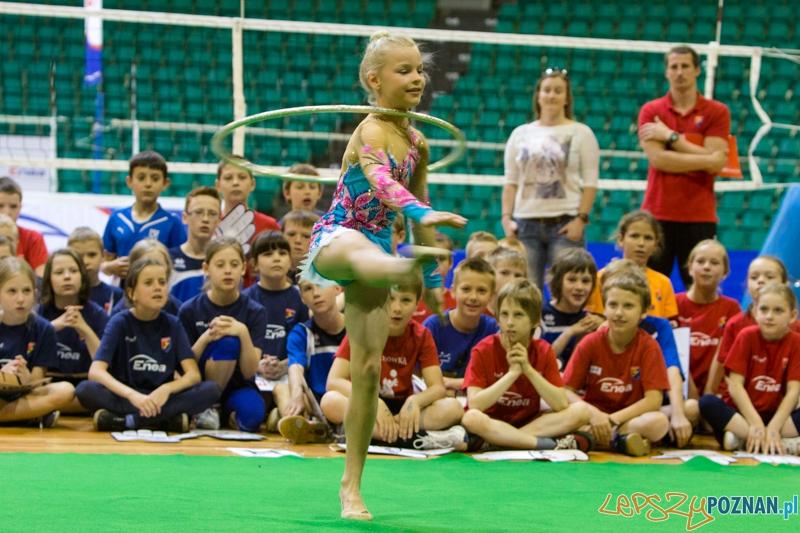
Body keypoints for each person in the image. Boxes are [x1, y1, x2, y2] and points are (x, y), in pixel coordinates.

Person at [297, 30, 466, 520]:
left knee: (368, 371)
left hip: (377, 245)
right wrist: (421, 218)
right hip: (338, 236)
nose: (417, 78)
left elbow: (419, 210)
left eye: (419, 69)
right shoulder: (370, 131)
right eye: (404, 70)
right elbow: (384, 185)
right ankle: (399, 264)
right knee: (365, 251)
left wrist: (434, 288)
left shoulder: (418, 141)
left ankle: (351, 486)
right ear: (374, 80)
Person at [75, 257, 220, 432]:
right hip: (127, 397)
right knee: (85, 390)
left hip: (161, 397)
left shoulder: (173, 324)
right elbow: (96, 371)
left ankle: (128, 421)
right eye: (148, 283)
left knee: (212, 389)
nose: (157, 287)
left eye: (161, 282)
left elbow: (193, 375)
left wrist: (166, 389)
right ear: (132, 293)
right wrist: (132, 395)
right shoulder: (119, 322)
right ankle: (163, 420)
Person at [322, 279, 467, 450]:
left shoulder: (422, 335)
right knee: (329, 401)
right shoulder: (362, 329)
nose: (397, 308)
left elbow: (438, 388)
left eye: (405, 300)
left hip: (403, 411)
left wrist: (416, 401)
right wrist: (374, 404)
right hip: (366, 405)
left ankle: (368, 434)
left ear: (416, 304)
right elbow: (333, 382)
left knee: (454, 408)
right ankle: (414, 440)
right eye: (390, 299)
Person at [461, 279, 595, 451]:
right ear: (497, 317)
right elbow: (475, 405)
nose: (509, 322)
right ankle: (539, 444)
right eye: (504, 314)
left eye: (518, 315)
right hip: (490, 424)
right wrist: (512, 374)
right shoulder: (483, 350)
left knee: (581, 411)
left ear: (534, 320)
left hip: (527, 424)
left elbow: (561, 404)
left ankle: (503, 442)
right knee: (471, 418)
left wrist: (528, 370)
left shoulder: (543, 350)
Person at [638, 45, 731, 286]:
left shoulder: (717, 112)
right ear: (667, 72)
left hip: (699, 216)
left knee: (701, 288)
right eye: (674, 67)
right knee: (649, 289)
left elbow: (717, 164)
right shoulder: (651, 111)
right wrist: (707, 158)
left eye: (685, 66)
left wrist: (670, 137)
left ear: (697, 70)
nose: (680, 72)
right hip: (657, 214)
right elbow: (660, 160)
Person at [501, 68, 598, 290]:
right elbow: (510, 181)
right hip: (526, 226)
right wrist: (506, 218)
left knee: (566, 291)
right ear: (538, 95)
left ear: (566, 97)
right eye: (547, 90)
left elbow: (591, 182)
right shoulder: (520, 133)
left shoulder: (581, 132)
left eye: (558, 90)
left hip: (565, 225)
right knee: (526, 292)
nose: (551, 95)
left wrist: (580, 220)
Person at [564, 272, 671, 456]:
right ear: (604, 308)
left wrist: (611, 420)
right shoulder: (590, 343)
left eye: (628, 306)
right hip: (592, 418)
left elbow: (653, 400)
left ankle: (593, 439)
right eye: (613, 305)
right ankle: (620, 443)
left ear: (643, 311)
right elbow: (565, 391)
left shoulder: (649, 347)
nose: (619, 312)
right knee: (557, 415)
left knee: (659, 422)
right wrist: (595, 415)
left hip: (628, 419)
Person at [595, 260, 698, 448]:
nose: (619, 311)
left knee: (689, 409)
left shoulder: (658, 327)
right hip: (610, 406)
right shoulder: (600, 332)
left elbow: (672, 369)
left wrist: (677, 412)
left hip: (644, 406)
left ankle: (611, 437)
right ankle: (627, 439)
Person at [178, 237, 267, 432]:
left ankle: (222, 414)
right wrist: (207, 337)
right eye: (220, 265)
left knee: (253, 417)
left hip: (238, 386)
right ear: (206, 269)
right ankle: (207, 407)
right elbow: (184, 365)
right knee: (226, 342)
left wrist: (242, 332)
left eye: (234, 265)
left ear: (243, 269)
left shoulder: (255, 311)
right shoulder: (189, 310)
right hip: (201, 387)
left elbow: (250, 371)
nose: (228, 270)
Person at [699, 284, 800, 455]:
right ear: (755, 312)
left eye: (778, 311)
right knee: (707, 402)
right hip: (744, 414)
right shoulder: (746, 336)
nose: (769, 316)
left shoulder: (796, 342)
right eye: (764, 309)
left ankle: (748, 439)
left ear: (792, 316)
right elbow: (735, 385)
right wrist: (755, 424)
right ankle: (776, 442)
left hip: (779, 417)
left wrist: (774, 427)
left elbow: (794, 391)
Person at [705, 255, 800, 396]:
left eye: (769, 277)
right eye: (754, 277)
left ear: (784, 285)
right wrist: (710, 393)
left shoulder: (796, 329)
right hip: (740, 399)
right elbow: (721, 366)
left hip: (782, 401)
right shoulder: (735, 324)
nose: (761, 281)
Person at [0, 257, 74, 426]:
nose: (20, 298)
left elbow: (36, 381)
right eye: (12, 291)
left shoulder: (44, 328)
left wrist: (25, 377)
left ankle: (12, 415)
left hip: (24, 396)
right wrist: (3, 376)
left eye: (26, 291)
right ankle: (28, 416)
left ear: (34, 294)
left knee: (66, 390)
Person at [271, 280, 344, 442]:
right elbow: (295, 366)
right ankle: (297, 424)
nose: (316, 293)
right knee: (281, 389)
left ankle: (295, 421)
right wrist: (297, 394)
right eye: (308, 289)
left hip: (345, 400)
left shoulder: (354, 330)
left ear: (338, 289)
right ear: (302, 298)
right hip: (315, 401)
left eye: (321, 285)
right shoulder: (301, 332)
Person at [36, 249, 108, 412]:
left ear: (82, 277)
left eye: (73, 271)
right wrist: (52, 327)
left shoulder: (98, 315)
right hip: (48, 386)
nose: (67, 276)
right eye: (59, 272)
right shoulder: (38, 313)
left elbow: (105, 365)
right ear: (49, 279)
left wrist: (84, 329)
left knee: (98, 392)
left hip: (86, 387)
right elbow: (28, 358)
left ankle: (46, 410)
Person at [101, 151, 187, 283]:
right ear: (129, 181)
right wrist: (110, 267)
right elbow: (104, 263)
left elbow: (179, 266)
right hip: (121, 294)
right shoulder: (117, 218)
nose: (148, 184)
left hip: (156, 292)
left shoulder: (172, 223)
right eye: (141, 178)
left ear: (165, 183)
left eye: (155, 178)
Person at [585, 210, 678, 322]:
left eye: (648, 238)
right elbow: (596, 319)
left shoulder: (664, 283)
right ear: (621, 239)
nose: (641, 243)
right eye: (634, 236)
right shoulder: (601, 278)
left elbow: (669, 323)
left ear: (655, 245)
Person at [675, 240, 741, 399]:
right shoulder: (674, 304)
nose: (706, 267)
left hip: (716, 393)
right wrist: (691, 396)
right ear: (690, 268)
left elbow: (725, 355)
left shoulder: (732, 308)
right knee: (691, 410)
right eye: (700, 261)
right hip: (681, 390)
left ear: (725, 272)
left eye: (714, 262)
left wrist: (709, 396)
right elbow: (675, 354)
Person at [423, 258, 499, 394]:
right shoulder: (433, 326)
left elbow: (496, 379)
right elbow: (418, 376)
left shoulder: (494, 330)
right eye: (466, 289)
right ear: (453, 291)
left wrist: (456, 383)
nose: (473, 297)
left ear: (491, 296)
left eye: (481, 291)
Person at [243, 231, 309, 383]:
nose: (276, 258)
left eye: (282, 253)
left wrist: (285, 365)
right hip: (253, 375)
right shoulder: (244, 299)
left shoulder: (302, 298)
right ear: (254, 264)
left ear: (290, 260)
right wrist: (257, 366)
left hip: (291, 373)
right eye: (268, 254)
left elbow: (307, 344)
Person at [216, 155, 281, 288]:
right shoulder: (211, 226)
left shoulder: (270, 225)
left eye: (242, 177)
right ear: (218, 185)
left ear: (252, 184)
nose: (235, 182)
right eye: (228, 178)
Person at [541, 248, 604, 370]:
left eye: (585, 281)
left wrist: (604, 327)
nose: (579, 287)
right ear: (558, 281)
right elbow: (541, 362)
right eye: (572, 279)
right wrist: (570, 332)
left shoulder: (590, 321)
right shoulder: (539, 313)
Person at [169, 186, 222, 302]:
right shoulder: (168, 260)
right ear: (184, 217)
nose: (205, 219)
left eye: (212, 213)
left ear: (219, 221)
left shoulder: (224, 263)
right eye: (198, 212)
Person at [109, 240, 182, 316]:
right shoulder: (119, 312)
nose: (154, 269)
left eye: (159, 264)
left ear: (168, 269)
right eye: (146, 264)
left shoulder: (177, 309)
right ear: (133, 270)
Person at [67, 227, 124, 315]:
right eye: (79, 256)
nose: (86, 262)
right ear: (69, 257)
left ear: (103, 256)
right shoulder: (63, 294)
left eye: (92, 255)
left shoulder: (116, 295)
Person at [0, 177, 49, 277]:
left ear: (20, 208)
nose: (7, 212)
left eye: (13, 206)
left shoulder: (33, 238)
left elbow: (42, 281)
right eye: (0, 206)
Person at [412, 232, 456, 323]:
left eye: (442, 258)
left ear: (450, 263)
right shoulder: (406, 300)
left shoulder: (457, 302)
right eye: (430, 259)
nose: (436, 264)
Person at [486, 246, 527, 317]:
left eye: (518, 275)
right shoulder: (476, 312)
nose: (511, 280)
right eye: (504, 273)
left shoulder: (528, 315)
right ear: (489, 274)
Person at [282, 209, 320, 282]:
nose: (298, 241)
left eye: (306, 236)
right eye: (291, 234)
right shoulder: (270, 274)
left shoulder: (325, 276)